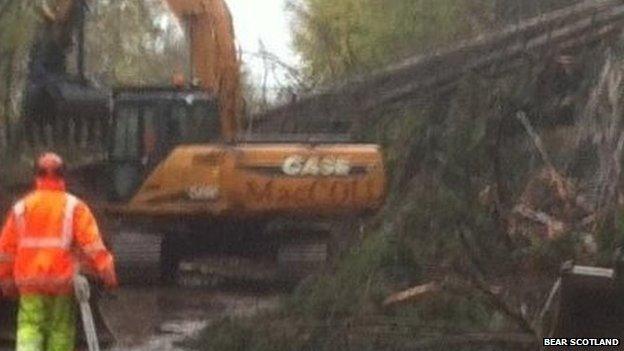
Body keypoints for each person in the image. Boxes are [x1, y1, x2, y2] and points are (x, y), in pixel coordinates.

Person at [0, 152, 117, 351]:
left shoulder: (21, 209)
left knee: (29, 327)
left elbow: (6, 251)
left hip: (30, 283)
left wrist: (6, 280)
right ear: (64, 176)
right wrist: (107, 273)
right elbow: (93, 245)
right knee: (60, 330)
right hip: (62, 283)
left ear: (36, 176)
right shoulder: (74, 207)